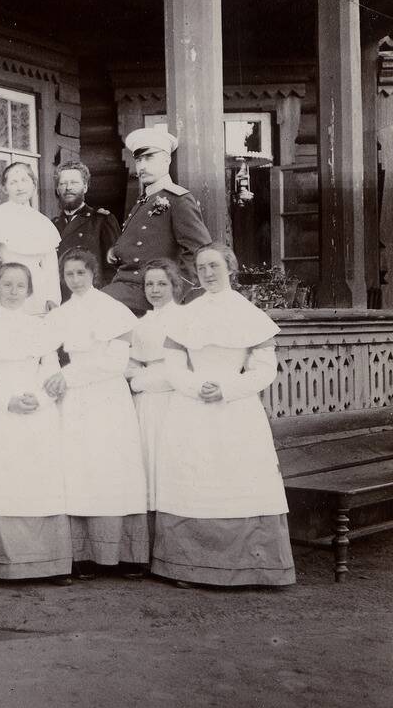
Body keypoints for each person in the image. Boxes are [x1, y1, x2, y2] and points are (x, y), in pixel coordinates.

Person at [152, 244, 294, 588]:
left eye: (214, 265)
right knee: (194, 477)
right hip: (192, 407)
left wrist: (228, 390)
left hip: (236, 409)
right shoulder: (186, 314)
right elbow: (172, 365)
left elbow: (264, 370)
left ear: (230, 266)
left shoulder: (249, 314)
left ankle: (250, 569)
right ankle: (188, 567)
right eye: (201, 267)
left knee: (238, 477)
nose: (208, 272)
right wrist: (193, 386)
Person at [44, 249, 148, 578]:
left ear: (93, 274)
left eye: (80, 273)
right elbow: (46, 352)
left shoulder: (112, 310)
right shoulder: (62, 313)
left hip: (107, 396)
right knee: (81, 468)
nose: (75, 280)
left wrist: (68, 377)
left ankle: (126, 555)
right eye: (69, 274)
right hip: (76, 401)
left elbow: (115, 363)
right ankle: (85, 553)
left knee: (112, 467)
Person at [0, 263, 71, 583]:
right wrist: (7, 402)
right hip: (1, 413)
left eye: (20, 286)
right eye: (6, 285)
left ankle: (51, 562)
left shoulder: (40, 329)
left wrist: (39, 399)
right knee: (7, 481)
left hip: (38, 409)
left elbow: (51, 371)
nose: (13, 292)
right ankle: (7, 563)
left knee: (41, 479)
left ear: (29, 291)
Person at [103, 128, 211, 314]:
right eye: (138, 160)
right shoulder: (142, 201)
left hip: (147, 292)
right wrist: (117, 250)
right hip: (124, 286)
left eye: (149, 158)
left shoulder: (178, 199)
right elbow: (144, 242)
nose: (142, 166)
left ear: (167, 160)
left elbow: (199, 249)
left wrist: (174, 292)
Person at [126, 259, 182, 527]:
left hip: (172, 399)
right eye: (150, 284)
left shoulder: (183, 319)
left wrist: (141, 381)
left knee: (167, 459)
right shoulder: (141, 323)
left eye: (162, 283)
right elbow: (132, 362)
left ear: (174, 285)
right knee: (145, 460)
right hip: (144, 403)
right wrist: (136, 377)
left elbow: (179, 369)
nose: (155, 290)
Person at [0, 163, 61, 314]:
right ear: (4, 188)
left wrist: (52, 298)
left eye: (24, 180)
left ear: (34, 185)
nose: (20, 187)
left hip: (39, 295)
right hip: (8, 292)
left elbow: (50, 267)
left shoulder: (42, 222)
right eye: (13, 182)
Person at [51, 161, 119, 278]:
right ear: (57, 189)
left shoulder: (102, 221)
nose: (68, 187)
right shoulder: (51, 225)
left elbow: (113, 268)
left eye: (74, 182)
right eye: (63, 183)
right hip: (59, 294)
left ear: (85, 187)